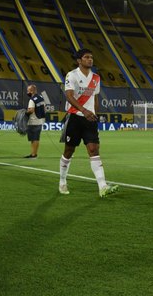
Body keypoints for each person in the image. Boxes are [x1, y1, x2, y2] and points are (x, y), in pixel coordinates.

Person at [58, 48, 119, 198]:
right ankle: (62, 181)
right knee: (69, 151)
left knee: (93, 150)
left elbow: (95, 98)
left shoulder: (96, 78)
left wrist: (94, 114)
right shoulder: (71, 75)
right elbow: (69, 96)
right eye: (86, 57)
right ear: (79, 60)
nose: (90, 59)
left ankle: (102, 186)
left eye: (91, 57)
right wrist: (84, 111)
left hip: (89, 119)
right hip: (74, 117)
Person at [25, 84, 46, 159]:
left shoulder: (32, 99)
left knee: (33, 139)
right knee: (36, 138)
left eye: (28, 90)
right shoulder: (41, 97)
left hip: (33, 121)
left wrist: (25, 113)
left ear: (31, 91)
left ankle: (33, 155)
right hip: (40, 120)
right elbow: (44, 109)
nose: (27, 92)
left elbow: (31, 110)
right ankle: (34, 153)